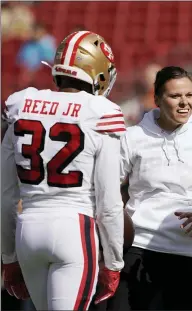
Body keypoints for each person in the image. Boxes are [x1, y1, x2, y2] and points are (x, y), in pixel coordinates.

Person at [101, 66, 192, 311]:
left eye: (189, 95)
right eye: (175, 96)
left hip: (190, 255)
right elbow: (107, 185)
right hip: (139, 250)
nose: (184, 103)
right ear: (156, 99)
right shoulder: (132, 136)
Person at [1, 30, 125, 310]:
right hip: (74, 227)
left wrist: (8, 257)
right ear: (98, 72)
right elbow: (109, 203)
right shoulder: (100, 111)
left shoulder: (21, 104)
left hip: (28, 227)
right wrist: (114, 262)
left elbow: (5, 195)